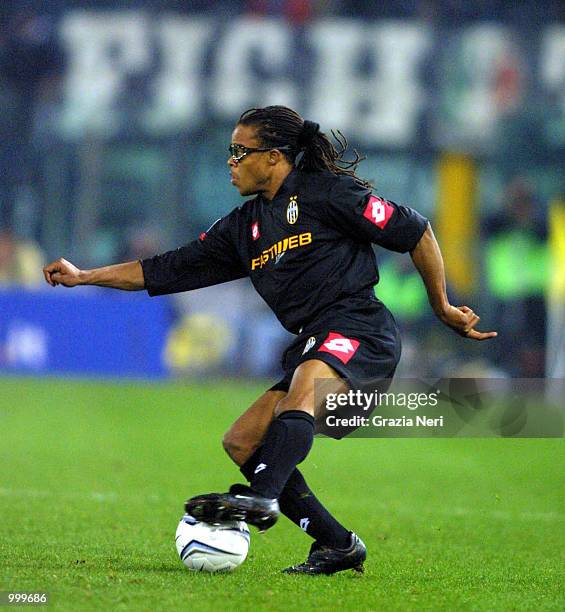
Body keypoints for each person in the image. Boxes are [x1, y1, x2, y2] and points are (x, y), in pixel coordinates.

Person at [43, 105, 497, 575]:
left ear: (276, 157)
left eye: (241, 151)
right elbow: (165, 268)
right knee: (241, 441)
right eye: (230, 151)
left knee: (299, 395)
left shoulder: (327, 194)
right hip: (312, 341)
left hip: (361, 329)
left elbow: (415, 229)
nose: (231, 161)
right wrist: (84, 275)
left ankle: (260, 497)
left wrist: (441, 305)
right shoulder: (244, 229)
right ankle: (337, 544)